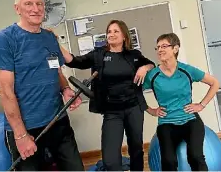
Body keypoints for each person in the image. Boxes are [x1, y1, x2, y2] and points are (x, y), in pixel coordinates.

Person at [0, 0, 85, 171]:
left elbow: (57, 72)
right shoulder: (5, 39)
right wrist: (20, 135)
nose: (36, 9)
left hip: (58, 121)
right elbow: (5, 91)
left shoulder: (50, 38)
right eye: (28, 4)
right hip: (27, 129)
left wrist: (65, 89)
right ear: (17, 8)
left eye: (39, 4)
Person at [58, 19, 155, 171]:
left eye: (116, 31)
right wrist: (56, 42)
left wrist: (144, 68)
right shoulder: (98, 55)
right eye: (109, 31)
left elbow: (150, 64)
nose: (111, 34)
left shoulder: (133, 55)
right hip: (112, 112)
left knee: (136, 148)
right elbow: (73, 61)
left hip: (134, 108)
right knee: (110, 158)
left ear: (124, 36)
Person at [143, 33, 219, 171]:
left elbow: (214, 83)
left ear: (175, 49)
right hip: (166, 123)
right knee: (169, 161)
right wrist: (151, 110)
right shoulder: (152, 75)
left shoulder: (186, 70)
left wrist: (201, 104)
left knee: (195, 157)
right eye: (158, 47)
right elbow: (134, 92)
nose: (159, 50)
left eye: (164, 46)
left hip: (190, 120)